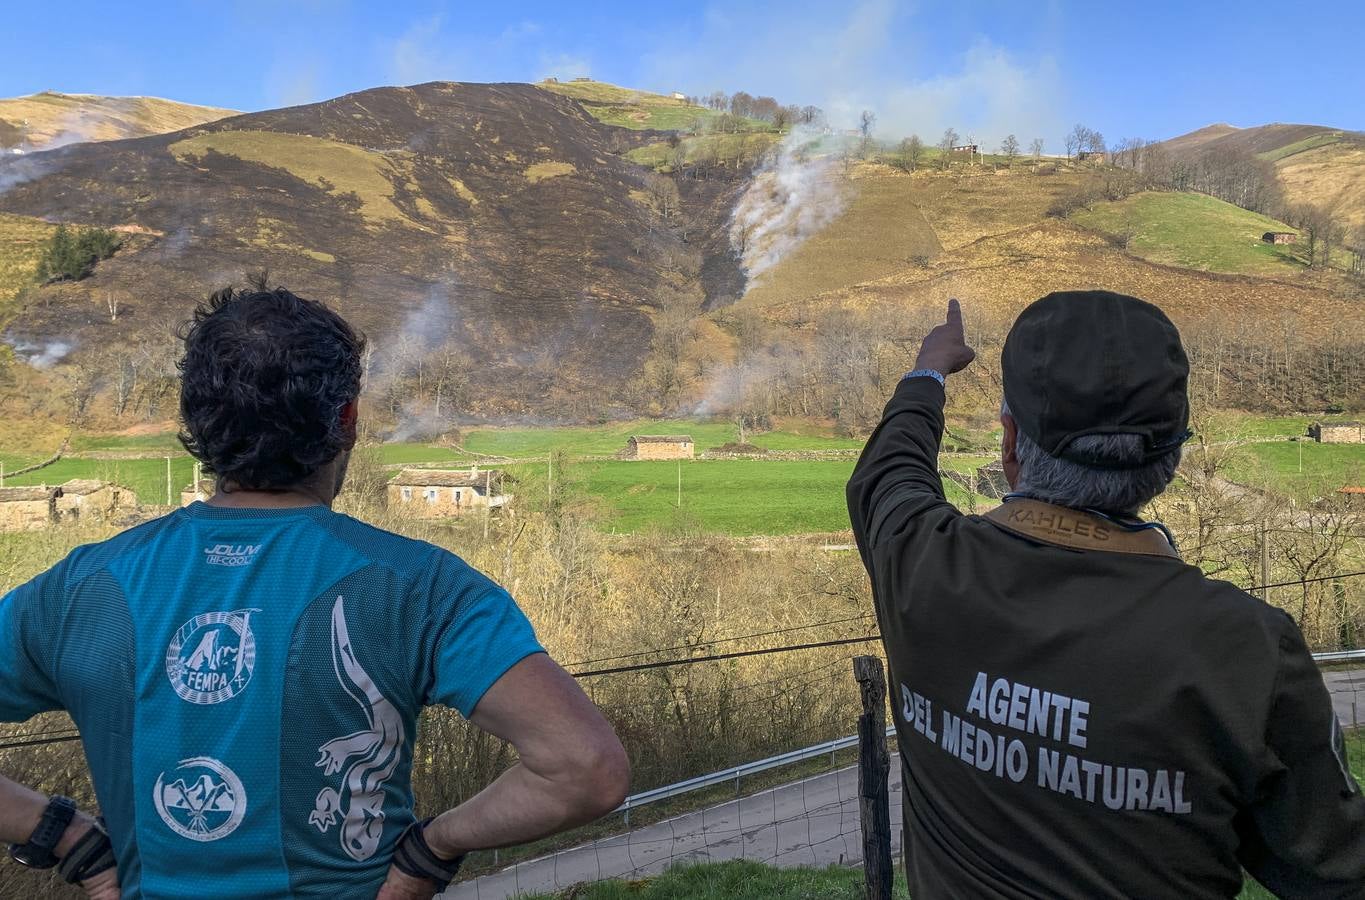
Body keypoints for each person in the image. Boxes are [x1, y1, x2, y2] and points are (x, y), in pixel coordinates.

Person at [0, 285, 630, 899]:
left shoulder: (81, 588)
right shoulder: (421, 586)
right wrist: (430, 850)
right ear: (347, 420)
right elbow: (585, 769)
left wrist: (59, 834)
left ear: (193, 419)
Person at [848, 292, 1365, 898]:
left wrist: (928, 372)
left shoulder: (922, 565)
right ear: (1170, 459)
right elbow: (1336, 871)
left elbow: (887, 473)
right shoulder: (1246, 647)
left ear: (1011, 445)